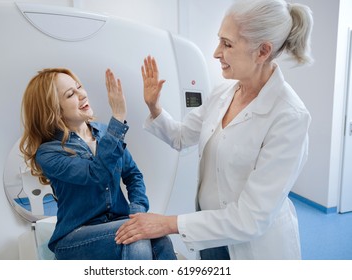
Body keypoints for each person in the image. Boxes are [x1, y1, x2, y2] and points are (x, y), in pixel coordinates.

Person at [115, 0, 313, 260]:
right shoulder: (223, 94)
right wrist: (154, 107)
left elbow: (250, 219)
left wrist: (167, 223)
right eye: (219, 40)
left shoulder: (289, 117)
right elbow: (181, 136)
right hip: (209, 235)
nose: (216, 53)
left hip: (253, 248)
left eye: (227, 44)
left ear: (263, 51)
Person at [19, 67, 176, 260]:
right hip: (75, 237)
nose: (82, 94)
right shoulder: (48, 153)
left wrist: (137, 215)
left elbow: (133, 176)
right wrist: (118, 118)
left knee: (159, 237)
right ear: (53, 110)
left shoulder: (104, 133)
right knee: (135, 239)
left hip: (119, 222)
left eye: (79, 87)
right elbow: (96, 174)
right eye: (71, 94)